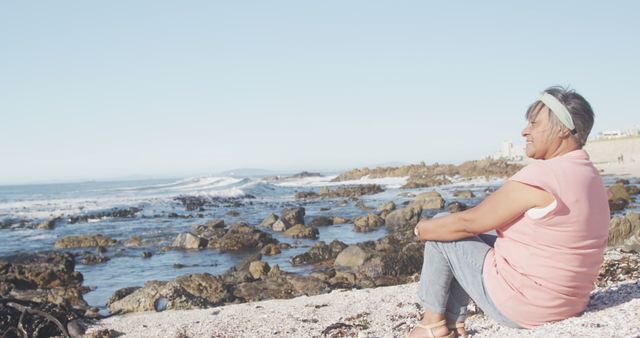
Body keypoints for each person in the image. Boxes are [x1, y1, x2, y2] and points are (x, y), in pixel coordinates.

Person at [406, 87, 610, 338]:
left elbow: (470, 222)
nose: (525, 131)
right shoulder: (590, 175)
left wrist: (421, 229)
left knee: (442, 227)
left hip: (527, 307)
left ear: (562, 130)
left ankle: (431, 324)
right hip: (570, 302)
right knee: (459, 234)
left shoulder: (543, 176)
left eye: (534, 124)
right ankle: (452, 323)